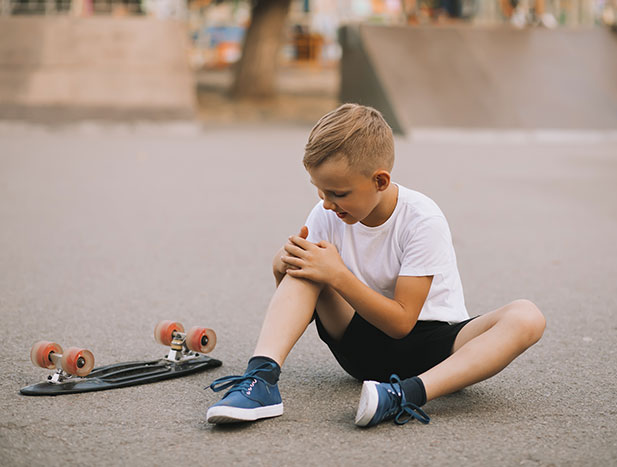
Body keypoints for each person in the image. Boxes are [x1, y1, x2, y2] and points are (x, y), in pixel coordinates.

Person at [205, 104, 546, 427]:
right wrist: (282, 268)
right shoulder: (326, 211)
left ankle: (402, 395)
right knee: (305, 266)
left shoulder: (422, 219)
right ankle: (260, 380)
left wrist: (336, 274)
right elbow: (303, 302)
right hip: (358, 348)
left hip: (432, 351)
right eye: (319, 191)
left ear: (380, 181)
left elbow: (401, 323)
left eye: (338, 193)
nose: (326, 203)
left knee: (527, 316)